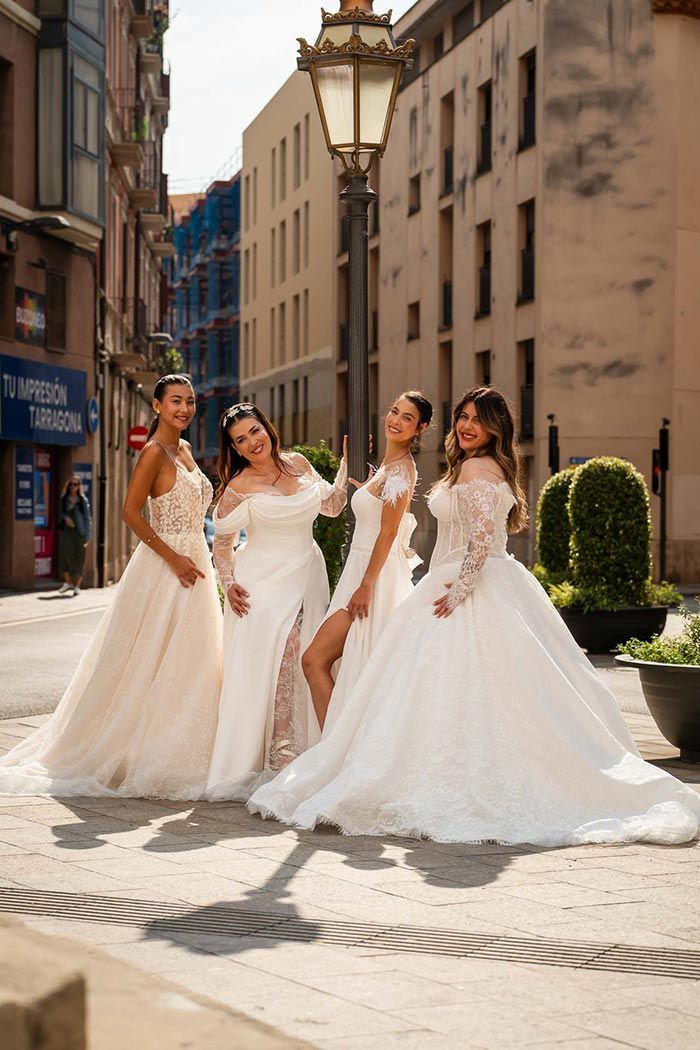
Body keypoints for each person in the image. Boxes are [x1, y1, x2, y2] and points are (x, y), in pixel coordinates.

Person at [249, 387, 700, 846]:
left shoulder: (476, 466)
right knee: (477, 693)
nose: (466, 426)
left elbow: (482, 535)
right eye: (462, 417)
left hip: (470, 586)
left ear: (494, 429)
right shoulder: (481, 464)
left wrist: (460, 588)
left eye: (477, 421)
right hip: (464, 579)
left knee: (457, 687)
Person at [0, 375, 222, 799]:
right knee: (148, 658)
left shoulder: (187, 450)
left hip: (197, 562)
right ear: (156, 406)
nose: (185, 409)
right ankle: (137, 752)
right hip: (165, 567)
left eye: (190, 401)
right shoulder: (154, 453)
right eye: (175, 401)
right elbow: (130, 513)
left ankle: (183, 749)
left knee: (191, 660)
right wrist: (173, 557)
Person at [207, 403, 347, 802]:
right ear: (233, 448)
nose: (252, 442)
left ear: (267, 427)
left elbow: (332, 506)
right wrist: (229, 582)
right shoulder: (238, 486)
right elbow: (222, 544)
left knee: (306, 657)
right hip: (262, 587)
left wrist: (347, 463)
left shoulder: (299, 463)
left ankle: (307, 753)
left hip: (306, 575)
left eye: (255, 431)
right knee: (281, 661)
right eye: (240, 440)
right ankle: (280, 757)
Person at [302, 391, 432, 733]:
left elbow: (387, 534)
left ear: (420, 428)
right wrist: (364, 489)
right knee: (334, 667)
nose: (396, 420)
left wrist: (366, 585)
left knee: (314, 660)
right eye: (394, 411)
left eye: (407, 418)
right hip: (363, 570)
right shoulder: (388, 470)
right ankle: (340, 750)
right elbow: (377, 513)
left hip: (372, 577)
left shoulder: (402, 471)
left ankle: (336, 752)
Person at [57, 476, 92, 595]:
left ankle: (77, 586)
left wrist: (88, 536)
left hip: (80, 532)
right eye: (71, 484)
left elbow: (87, 519)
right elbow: (60, 513)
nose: (73, 486)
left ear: (79, 486)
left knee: (79, 558)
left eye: (76, 484)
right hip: (67, 532)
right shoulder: (64, 499)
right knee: (65, 557)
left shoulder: (83, 500)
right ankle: (68, 582)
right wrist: (65, 518)